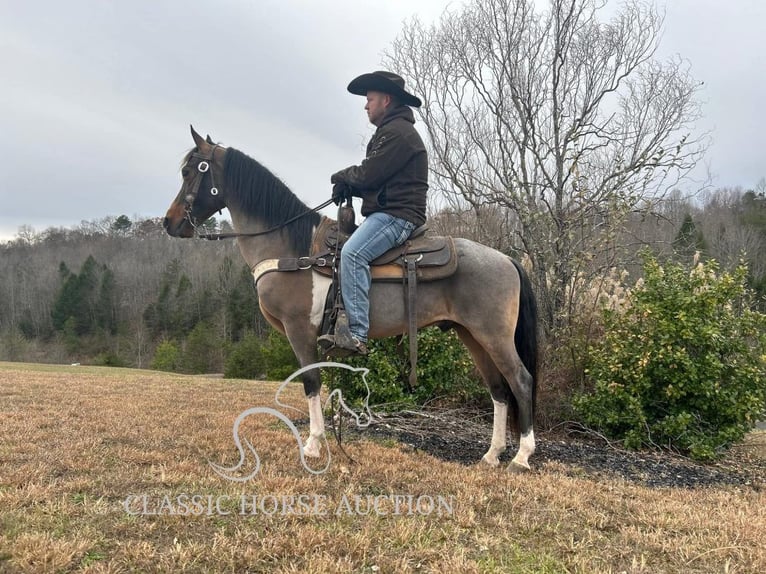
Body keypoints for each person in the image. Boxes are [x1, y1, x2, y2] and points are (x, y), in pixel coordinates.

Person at [320, 71, 428, 356]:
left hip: (398, 216)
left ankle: (356, 335)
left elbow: (368, 175)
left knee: (353, 253)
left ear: (386, 100)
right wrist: (348, 187)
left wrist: (342, 177)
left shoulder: (398, 134)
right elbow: (378, 181)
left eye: (369, 99)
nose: (365, 105)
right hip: (390, 211)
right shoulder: (390, 132)